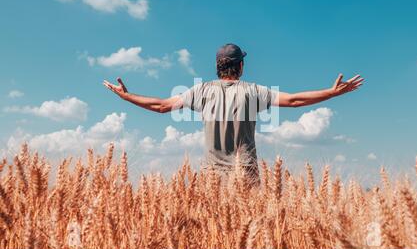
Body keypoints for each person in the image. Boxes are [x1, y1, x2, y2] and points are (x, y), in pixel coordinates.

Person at [104, 44, 363, 181]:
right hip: (246, 173)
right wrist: (332, 93)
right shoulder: (254, 91)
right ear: (240, 66)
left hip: (211, 176)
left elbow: (160, 106)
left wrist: (126, 96)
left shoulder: (200, 91)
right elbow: (294, 101)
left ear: (218, 67)